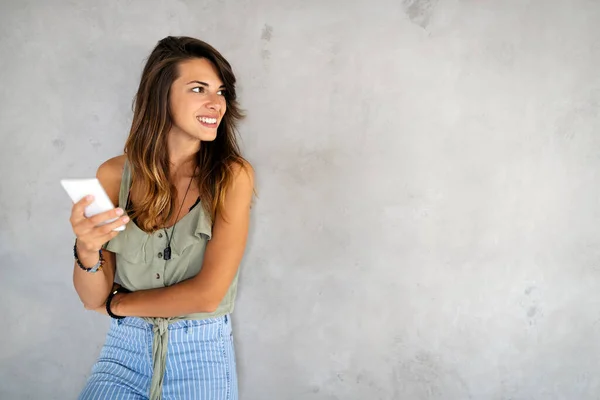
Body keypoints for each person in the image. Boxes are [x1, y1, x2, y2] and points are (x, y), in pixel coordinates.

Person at [69, 36, 254, 400]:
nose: (216, 103)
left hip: (201, 357)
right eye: (199, 88)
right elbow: (92, 298)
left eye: (221, 91)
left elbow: (207, 296)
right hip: (124, 353)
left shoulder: (233, 176)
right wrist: (87, 249)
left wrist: (119, 304)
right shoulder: (111, 175)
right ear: (161, 95)